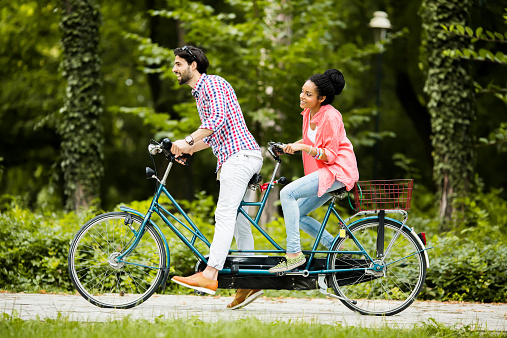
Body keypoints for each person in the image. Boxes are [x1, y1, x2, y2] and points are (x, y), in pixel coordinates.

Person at [169, 45, 263, 309]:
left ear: (193, 65)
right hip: (241, 155)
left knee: (224, 214)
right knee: (239, 221)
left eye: (178, 64)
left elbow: (217, 119)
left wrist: (187, 139)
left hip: (239, 155)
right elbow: (212, 135)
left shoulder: (212, 84)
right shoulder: (201, 95)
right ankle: (251, 280)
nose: (174, 69)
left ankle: (210, 275)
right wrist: (188, 148)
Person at [269, 69, 359, 273]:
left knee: (287, 193)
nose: (302, 96)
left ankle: (293, 254)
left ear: (322, 98)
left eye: (308, 94)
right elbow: (311, 141)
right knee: (298, 213)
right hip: (326, 170)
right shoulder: (309, 112)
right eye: (302, 91)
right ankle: (335, 246)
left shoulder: (331, 117)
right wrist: (290, 146)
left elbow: (330, 154)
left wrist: (302, 148)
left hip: (338, 170)